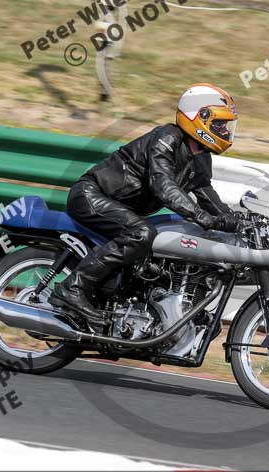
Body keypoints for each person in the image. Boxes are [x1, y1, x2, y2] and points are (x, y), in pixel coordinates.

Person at [49, 83, 241, 327]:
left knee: (160, 253)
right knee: (141, 233)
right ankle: (72, 288)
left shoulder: (201, 158)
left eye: (226, 125)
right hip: (91, 196)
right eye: (220, 124)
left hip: (123, 208)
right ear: (199, 118)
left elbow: (206, 194)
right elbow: (163, 186)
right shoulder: (166, 138)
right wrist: (202, 217)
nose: (224, 130)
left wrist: (235, 220)